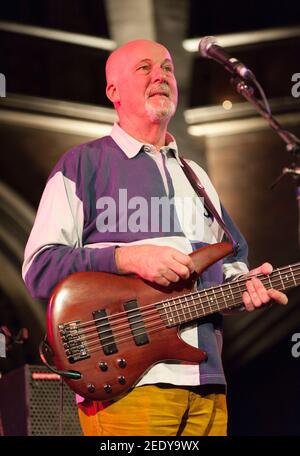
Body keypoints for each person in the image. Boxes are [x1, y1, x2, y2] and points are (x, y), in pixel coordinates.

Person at [22, 39, 288, 436]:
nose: (161, 75)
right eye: (144, 68)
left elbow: (230, 269)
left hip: (208, 384)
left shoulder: (196, 176)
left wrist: (246, 286)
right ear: (113, 91)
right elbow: (39, 267)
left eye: (166, 67)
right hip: (129, 384)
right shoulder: (82, 164)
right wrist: (126, 258)